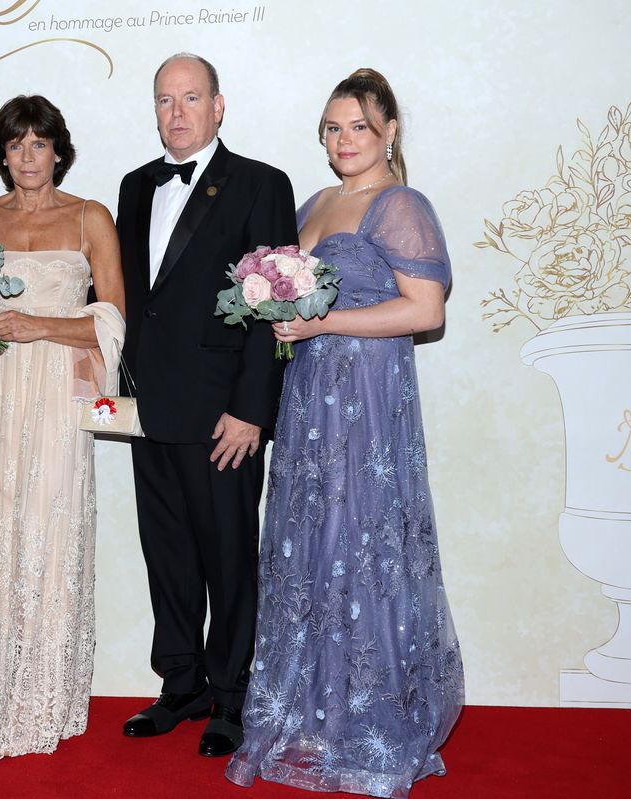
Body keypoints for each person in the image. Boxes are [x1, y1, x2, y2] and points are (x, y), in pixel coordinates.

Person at [226, 68, 465, 798]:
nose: (344, 140)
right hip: (307, 400)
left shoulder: (401, 204)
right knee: (308, 542)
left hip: (366, 399)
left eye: (358, 125)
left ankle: (370, 715)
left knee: (363, 541)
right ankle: (310, 710)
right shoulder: (314, 202)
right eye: (332, 127)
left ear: (390, 130)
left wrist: (326, 321)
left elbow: (425, 311)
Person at [0, 95, 125, 757]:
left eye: (39, 144)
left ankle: (42, 698)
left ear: (58, 150)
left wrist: (41, 324)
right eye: (16, 145)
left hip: (55, 397)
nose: (28, 157)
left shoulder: (91, 216)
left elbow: (115, 318)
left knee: (50, 530)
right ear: (2, 153)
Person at [116, 53, 297, 758]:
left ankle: (231, 694)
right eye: (165, 100)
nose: (177, 112)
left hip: (224, 415)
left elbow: (275, 303)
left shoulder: (261, 184)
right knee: (166, 554)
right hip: (150, 410)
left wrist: (254, 409)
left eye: (191, 98)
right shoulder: (135, 187)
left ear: (218, 106)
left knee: (227, 555)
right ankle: (181, 681)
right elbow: (135, 302)